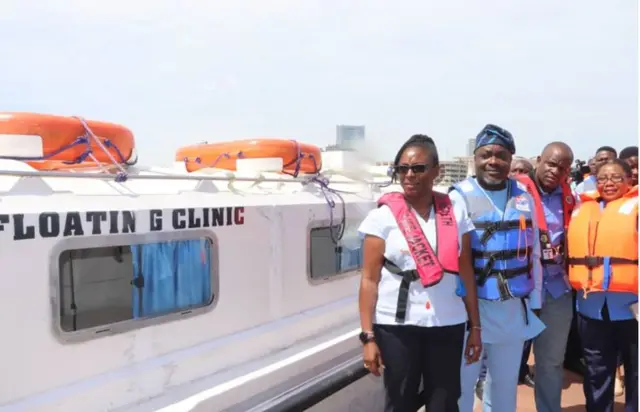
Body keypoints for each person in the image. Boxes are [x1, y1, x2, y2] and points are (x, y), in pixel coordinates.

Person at [358, 134, 482, 412]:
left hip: (447, 322)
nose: (409, 175)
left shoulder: (456, 212)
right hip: (397, 325)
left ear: (436, 171)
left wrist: (475, 328)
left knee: (445, 401)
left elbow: (466, 272)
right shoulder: (382, 218)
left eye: (418, 168)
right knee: (400, 401)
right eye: (402, 169)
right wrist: (368, 337)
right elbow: (369, 279)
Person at [451, 124, 546, 412]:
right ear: (475, 158)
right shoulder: (459, 197)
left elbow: (535, 255)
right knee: (462, 385)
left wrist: (536, 299)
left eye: (501, 156)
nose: (493, 161)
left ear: (510, 160)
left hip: (511, 307)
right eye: (486, 155)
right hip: (470, 308)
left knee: (504, 385)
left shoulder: (524, 198)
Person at [567, 158, 639, 412]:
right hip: (591, 305)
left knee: (636, 371)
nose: (609, 183)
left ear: (629, 180)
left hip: (633, 307)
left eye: (616, 177)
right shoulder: (582, 207)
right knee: (597, 369)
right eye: (603, 178)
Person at [474, 156, 537, 400]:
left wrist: (536, 298)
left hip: (515, 296)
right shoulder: (465, 198)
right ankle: (480, 380)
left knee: (504, 379)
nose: (519, 173)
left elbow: (535, 255)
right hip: (479, 295)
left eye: (524, 170)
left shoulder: (527, 202)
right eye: (516, 170)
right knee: (474, 362)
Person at [524, 142, 576, 412]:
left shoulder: (571, 198)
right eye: (551, 163)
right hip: (519, 290)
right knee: (502, 361)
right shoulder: (516, 192)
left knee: (551, 362)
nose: (556, 171)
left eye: (563, 167)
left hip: (557, 291)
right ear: (539, 160)